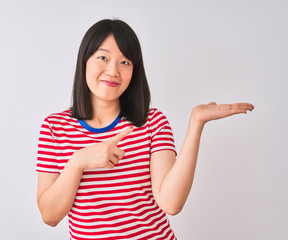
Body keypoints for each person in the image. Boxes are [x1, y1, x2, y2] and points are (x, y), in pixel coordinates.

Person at [35, 19, 254, 240]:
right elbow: (50, 216)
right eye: (103, 57)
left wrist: (196, 123)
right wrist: (78, 162)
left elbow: (171, 203)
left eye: (125, 62)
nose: (113, 71)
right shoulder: (55, 127)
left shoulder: (152, 122)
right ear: (84, 61)